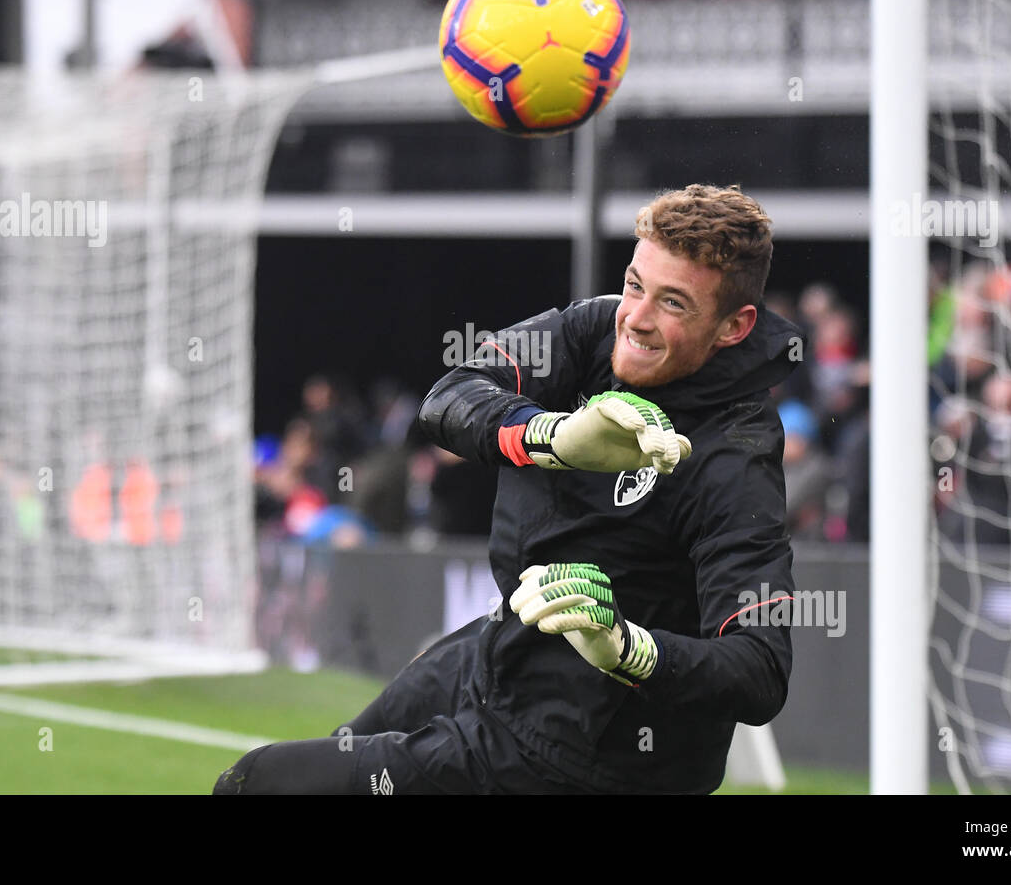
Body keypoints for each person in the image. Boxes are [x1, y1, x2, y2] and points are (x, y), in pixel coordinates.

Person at [213, 183, 804, 794]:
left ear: (735, 326)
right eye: (634, 284)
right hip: (498, 658)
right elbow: (449, 398)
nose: (638, 318)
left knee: (261, 784)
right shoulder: (594, 330)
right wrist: (552, 436)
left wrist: (631, 649)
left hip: (590, 758)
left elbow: (760, 670)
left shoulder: (739, 459)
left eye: (674, 303)